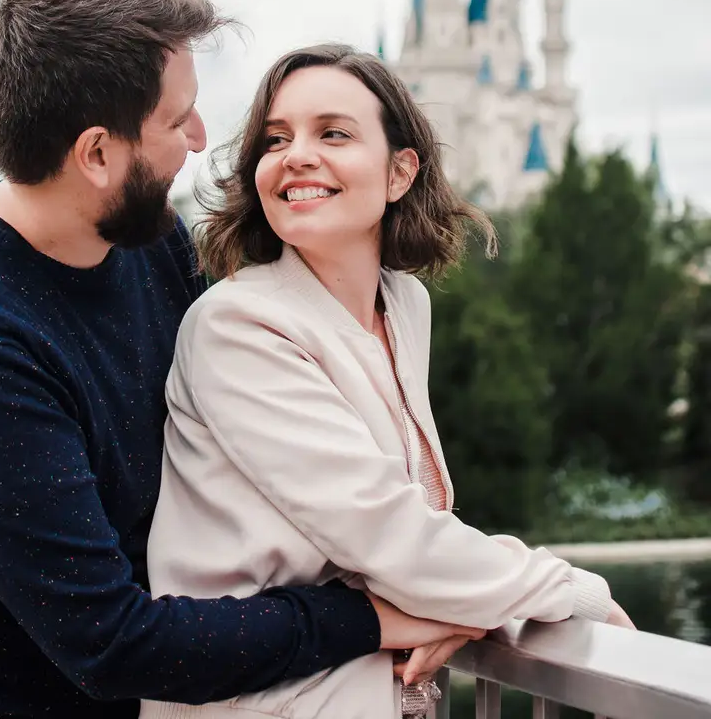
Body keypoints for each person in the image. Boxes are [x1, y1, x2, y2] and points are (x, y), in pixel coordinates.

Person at [0, 0, 471, 719]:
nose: (203, 139)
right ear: (97, 155)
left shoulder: (144, 239)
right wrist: (376, 619)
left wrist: (431, 570)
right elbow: (113, 642)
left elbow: (243, 456)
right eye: (179, 121)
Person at [144, 43, 635, 719]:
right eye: (277, 138)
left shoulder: (405, 305)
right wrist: (573, 593)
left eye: (334, 133)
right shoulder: (236, 326)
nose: (297, 155)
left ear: (401, 170)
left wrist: (460, 596)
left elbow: (408, 533)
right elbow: (388, 537)